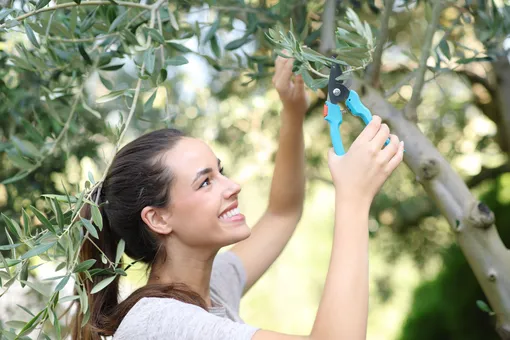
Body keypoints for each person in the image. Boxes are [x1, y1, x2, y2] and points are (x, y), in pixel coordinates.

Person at [72, 55, 404, 340]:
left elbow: (282, 213)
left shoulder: (209, 288)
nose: (233, 186)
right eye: (205, 182)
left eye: (220, 171)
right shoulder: (158, 323)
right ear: (158, 218)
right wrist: (354, 198)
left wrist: (292, 111)